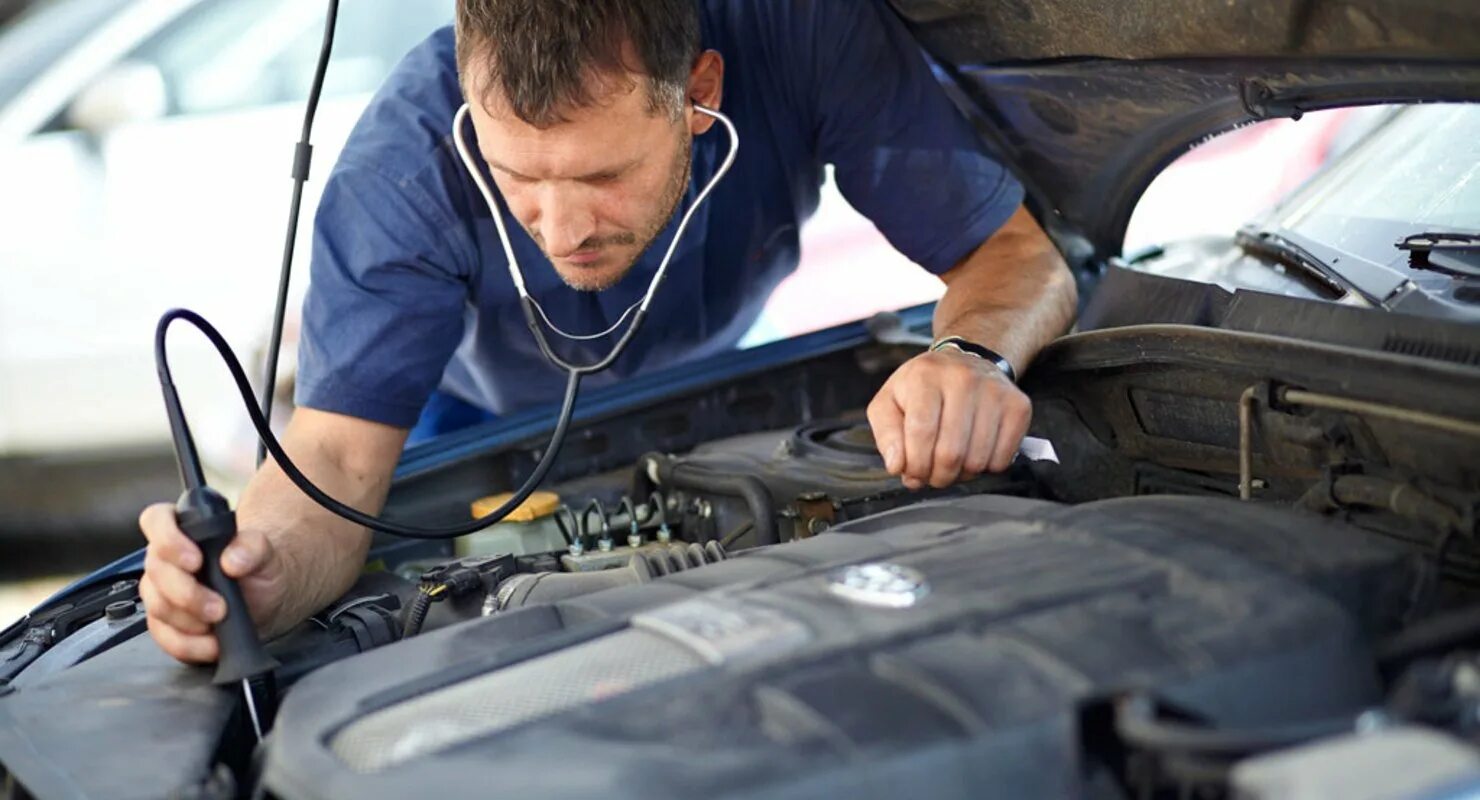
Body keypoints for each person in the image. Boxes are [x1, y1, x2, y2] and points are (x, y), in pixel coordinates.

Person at [137, 0, 1076, 664]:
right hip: (471, 419)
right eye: (518, 177)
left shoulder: (801, 28)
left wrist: (969, 354)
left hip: (722, 376)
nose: (560, 228)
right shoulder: (405, 166)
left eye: (601, 177)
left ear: (701, 92)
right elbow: (336, 462)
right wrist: (249, 577)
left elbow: (1014, 257)